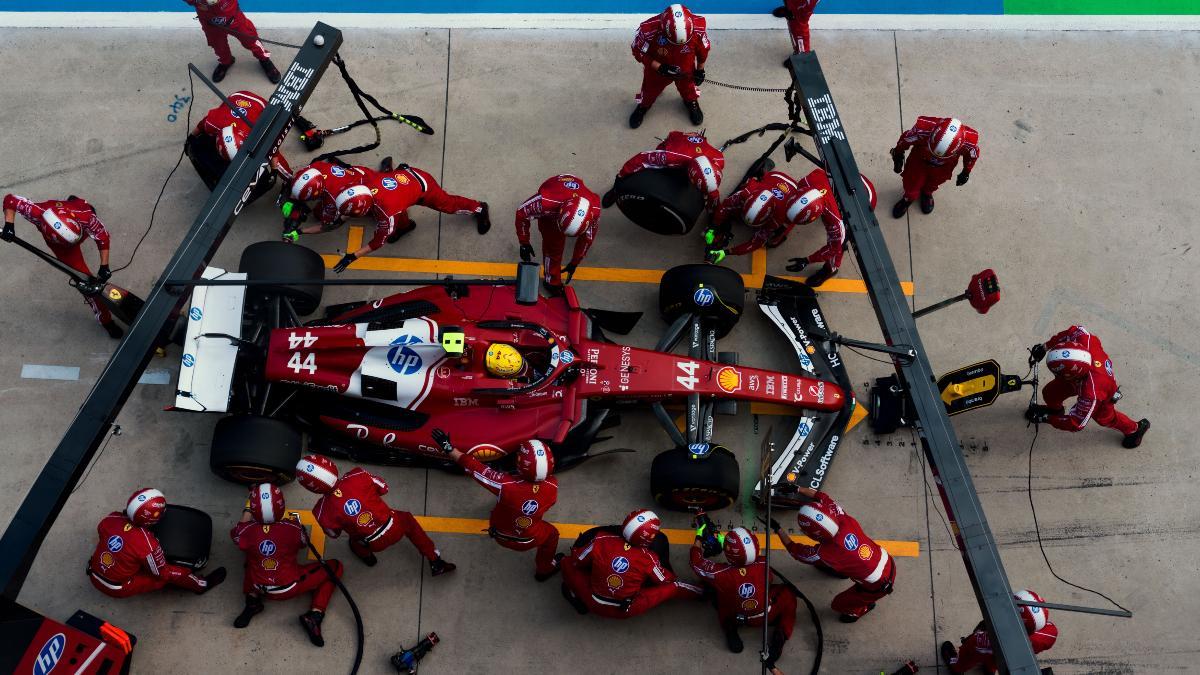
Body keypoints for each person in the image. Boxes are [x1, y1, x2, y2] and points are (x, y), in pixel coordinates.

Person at [430, 429, 563, 580]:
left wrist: (448, 447)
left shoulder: (504, 485)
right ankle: (545, 569)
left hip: (500, 534)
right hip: (530, 538)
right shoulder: (553, 487)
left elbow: (474, 467)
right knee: (552, 535)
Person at [295, 454, 456, 576]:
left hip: (372, 543)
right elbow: (384, 488)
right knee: (407, 519)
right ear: (330, 465)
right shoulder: (357, 475)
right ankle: (435, 561)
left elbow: (333, 534)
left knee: (355, 541)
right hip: (395, 526)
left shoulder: (320, 510)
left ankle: (368, 559)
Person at [230, 483, 343, 647]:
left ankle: (252, 603)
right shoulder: (293, 528)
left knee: (250, 556)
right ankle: (315, 614)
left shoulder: (245, 531)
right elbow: (304, 543)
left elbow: (236, 535)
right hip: (287, 587)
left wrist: (249, 507)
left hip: (257, 584)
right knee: (335, 567)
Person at [333, 158, 490, 274]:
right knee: (397, 205)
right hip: (404, 177)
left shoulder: (386, 211)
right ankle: (405, 225)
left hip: (425, 188)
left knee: (448, 204)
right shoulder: (364, 180)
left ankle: (479, 208)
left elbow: (378, 241)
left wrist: (352, 256)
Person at [3, 193, 121, 338]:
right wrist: (9, 225)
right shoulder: (37, 213)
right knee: (88, 287)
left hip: (77, 218)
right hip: (65, 250)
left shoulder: (87, 216)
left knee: (85, 207)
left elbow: (103, 237)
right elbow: (10, 200)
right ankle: (106, 320)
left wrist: (104, 266)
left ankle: (74, 202)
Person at [774, 488, 895, 623]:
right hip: (887, 562)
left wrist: (778, 529)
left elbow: (795, 551)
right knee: (841, 563)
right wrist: (797, 488)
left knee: (838, 604)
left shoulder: (824, 553)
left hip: (876, 587)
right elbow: (822, 497)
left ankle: (859, 610)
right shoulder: (844, 519)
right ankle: (843, 574)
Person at [690, 523, 797, 673]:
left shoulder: (720, 573)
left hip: (736, 614)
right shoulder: (763, 562)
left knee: (719, 593)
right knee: (788, 594)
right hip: (766, 613)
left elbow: (696, 563)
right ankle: (781, 635)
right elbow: (770, 580)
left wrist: (699, 538)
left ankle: (729, 629)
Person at [560, 509, 703, 618]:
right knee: (675, 587)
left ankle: (574, 595)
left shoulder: (601, 539)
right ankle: (704, 593)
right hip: (626, 609)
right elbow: (665, 580)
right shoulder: (648, 557)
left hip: (592, 600)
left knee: (565, 562)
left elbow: (577, 560)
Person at [87, 488, 226, 598]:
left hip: (94, 571)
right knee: (170, 575)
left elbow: (102, 533)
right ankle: (201, 585)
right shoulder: (148, 544)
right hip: (117, 587)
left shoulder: (111, 518)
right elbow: (162, 573)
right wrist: (183, 571)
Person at [1026, 325, 1150, 448]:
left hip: (1102, 391)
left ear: (1070, 376)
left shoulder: (1091, 393)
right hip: (1082, 379)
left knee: (1104, 418)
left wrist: (1047, 419)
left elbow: (1076, 423)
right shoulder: (1085, 340)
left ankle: (1135, 429)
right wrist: (1045, 346)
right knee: (1051, 393)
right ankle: (1055, 410)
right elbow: (1073, 331)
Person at [187, 90, 292, 191]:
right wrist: (190, 138)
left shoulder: (255, 132)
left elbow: (273, 150)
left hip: (259, 104)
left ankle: (289, 178)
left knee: (266, 148)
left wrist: (274, 171)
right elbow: (202, 125)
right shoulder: (213, 122)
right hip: (235, 97)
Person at [515, 174, 602, 294]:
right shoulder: (544, 202)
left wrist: (575, 261)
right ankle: (551, 282)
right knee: (553, 249)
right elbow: (521, 213)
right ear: (559, 212)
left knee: (555, 247)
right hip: (552, 207)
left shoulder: (595, 211)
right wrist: (524, 242)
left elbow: (587, 239)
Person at [629, 4, 711, 128]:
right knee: (649, 90)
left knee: (688, 88)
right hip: (658, 69)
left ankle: (691, 102)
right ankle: (643, 106)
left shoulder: (698, 28)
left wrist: (700, 70)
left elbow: (703, 51)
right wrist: (658, 67)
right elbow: (638, 51)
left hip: (686, 67)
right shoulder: (648, 30)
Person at [941, 589, 1058, 673]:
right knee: (999, 658)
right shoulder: (1050, 634)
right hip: (1010, 655)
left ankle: (956, 667)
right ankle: (990, 668)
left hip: (988, 646)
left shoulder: (982, 639)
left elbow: (970, 647)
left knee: (969, 655)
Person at [605, 130, 725, 211]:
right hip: (676, 144)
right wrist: (620, 178)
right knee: (648, 171)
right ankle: (615, 189)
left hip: (693, 148)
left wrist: (715, 213)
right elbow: (640, 158)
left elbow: (712, 190)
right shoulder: (669, 157)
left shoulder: (719, 158)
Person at [890, 116, 979, 218]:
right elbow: (905, 140)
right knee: (911, 182)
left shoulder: (970, 144)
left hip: (944, 167)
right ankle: (908, 198)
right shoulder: (921, 130)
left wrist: (966, 171)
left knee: (935, 182)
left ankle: (927, 192)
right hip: (920, 161)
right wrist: (898, 154)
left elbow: (972, 157)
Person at [183, 0, 280, 84]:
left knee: (251, 40)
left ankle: (264, 59)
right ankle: (226, 61)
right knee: (218, 46)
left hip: (234, 19)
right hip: (210, 23)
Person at [281, 160, 374, 240]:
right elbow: (299, 185)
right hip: (357, 172)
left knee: (318, 215)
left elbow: (328, 226)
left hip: (367, 187)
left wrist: (299, 232)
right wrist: (290, 201)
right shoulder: (315, 168)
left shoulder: (333, 200)